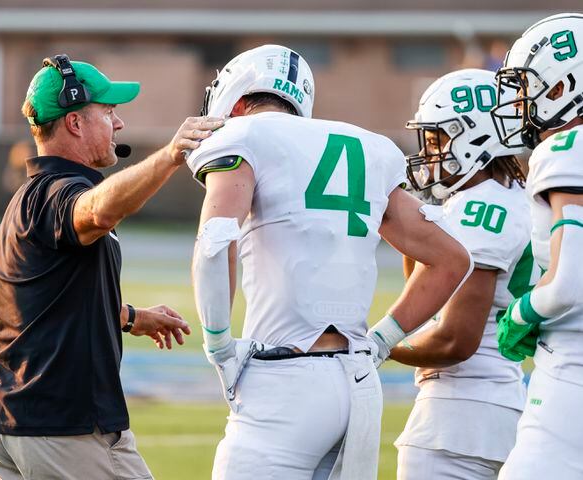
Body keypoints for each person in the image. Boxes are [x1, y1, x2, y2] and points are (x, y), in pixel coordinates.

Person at [187, 44, 472, 480]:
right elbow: (452, 259)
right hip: (358, 383)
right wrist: (381, 340)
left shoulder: (243, 136)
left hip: (284, 378)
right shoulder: (369, 146)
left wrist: (219, 346)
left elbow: (215, 240)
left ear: (239, 102)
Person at [0, 54, 221, 479]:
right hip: (61, 427)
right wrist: (169, 157)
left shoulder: (30, 195)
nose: (118, 123)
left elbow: (42, 301)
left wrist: (128, 317)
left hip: (7, 419)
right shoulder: (58, 192)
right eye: (108, 112)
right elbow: (95, 213)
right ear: (74, 123)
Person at [390, 69, 537, 480]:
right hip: (496, 407)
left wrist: (375, 346)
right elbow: (427, 294)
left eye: (436, 139)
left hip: (457, 419)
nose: (429, 153)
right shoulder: (508, 197)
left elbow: (455, 337)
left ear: (473, 136)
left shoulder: (480, 209)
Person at [491, 13, 583, 480]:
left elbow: (568, 283)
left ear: (565, 86)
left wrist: (523, 313)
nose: (522, 104)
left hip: (571, 373)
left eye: (530, 89)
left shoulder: (567, 149)